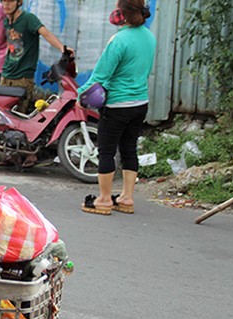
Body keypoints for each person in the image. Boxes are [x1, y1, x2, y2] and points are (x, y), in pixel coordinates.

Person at [80, 0, 156, 215]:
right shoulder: (150, 37)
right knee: (129, 149)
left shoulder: (118, 41)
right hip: (140, 103)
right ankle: (127, 198)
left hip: (117, 105)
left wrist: (80, 94)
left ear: (121, 13)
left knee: (106, 151)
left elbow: (100, 77)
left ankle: (104, 200)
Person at [1, 0, 73, 114]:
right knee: (4, 114)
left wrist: (62, 48)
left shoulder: (28, 19)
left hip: (22, 77)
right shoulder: (7, 21)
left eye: (10, 1)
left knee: (19, 115)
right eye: (4, 1)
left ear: (19, 2)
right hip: (6, 75)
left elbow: (46, 33)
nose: (6, 4)